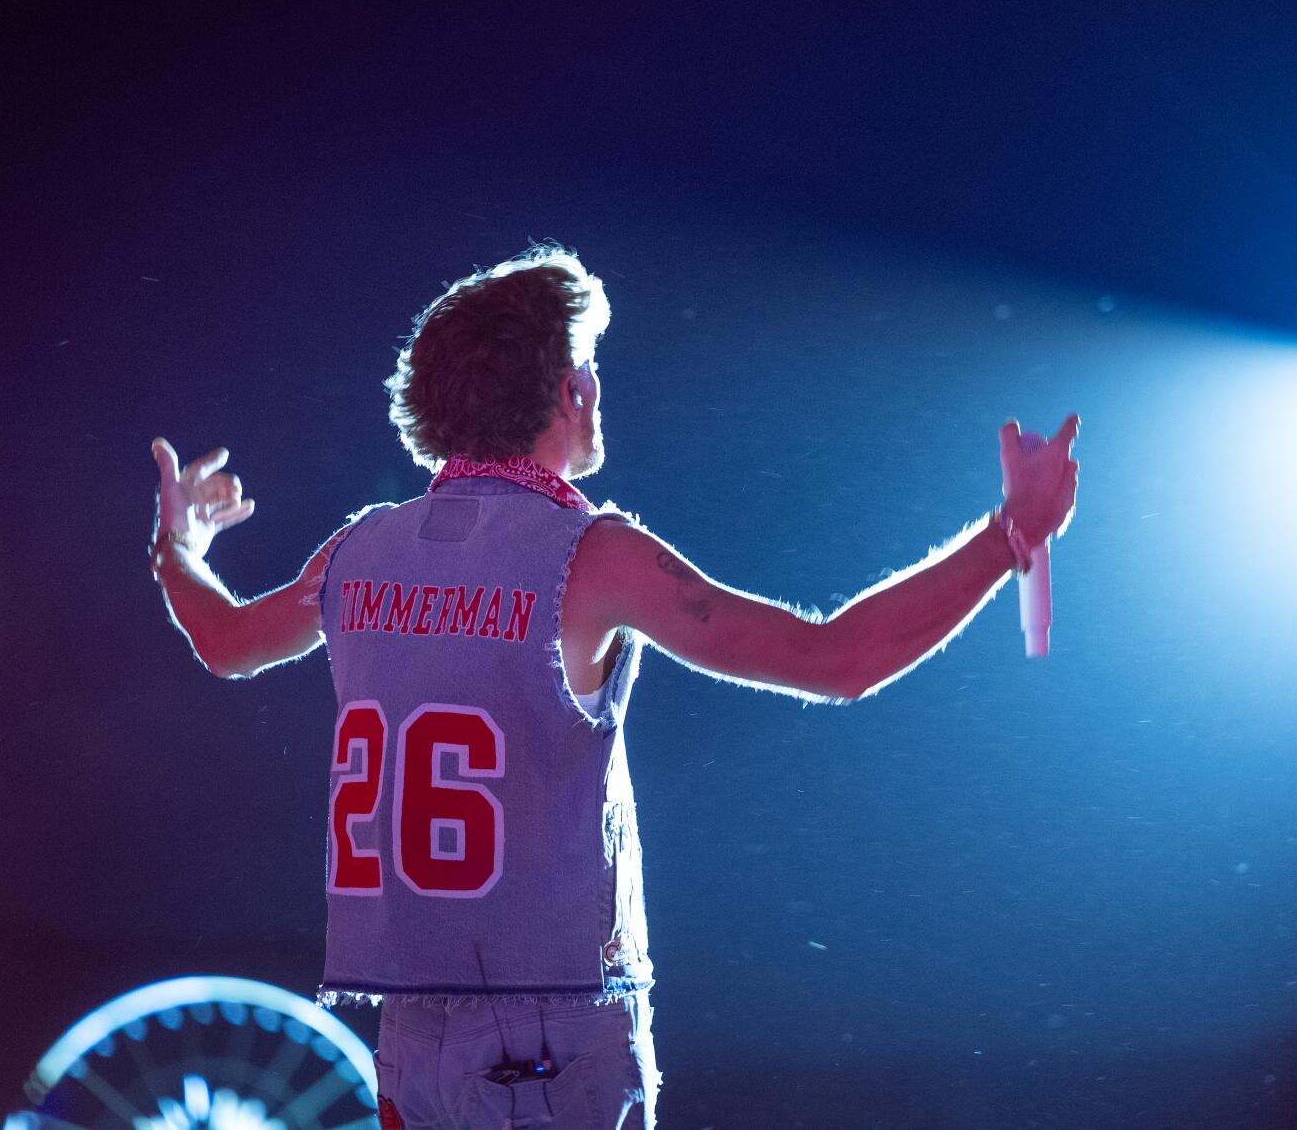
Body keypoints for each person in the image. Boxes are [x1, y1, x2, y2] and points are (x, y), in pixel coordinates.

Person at [147, 246, 1080, 1129]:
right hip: (545, 1038)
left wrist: (178, 547)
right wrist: (1011, 534)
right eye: (588, 364)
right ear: (569, 387)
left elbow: (224, 641)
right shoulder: (590, 555)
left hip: (410, 1037)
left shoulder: (357, 551)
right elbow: (837, 658)